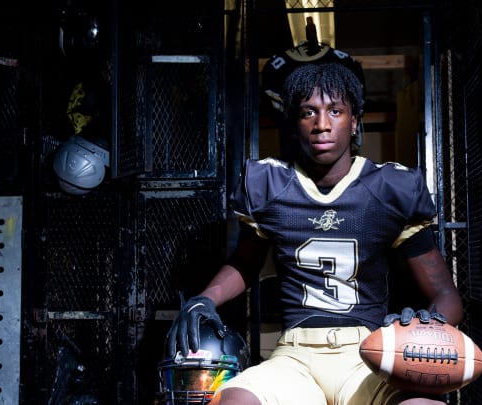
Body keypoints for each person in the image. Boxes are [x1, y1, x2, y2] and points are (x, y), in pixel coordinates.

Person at [166, 61, 464, 405]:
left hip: (369, 354)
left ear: (354, 121)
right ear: (295, 123)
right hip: (294, 357)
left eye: (335, 111)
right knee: (234, 401)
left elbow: (446, 293)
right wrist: (206, 298)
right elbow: (245, 264)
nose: (322, 125)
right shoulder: (269, 183)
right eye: (309, 112)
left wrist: (432, 323)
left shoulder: (390, 188)